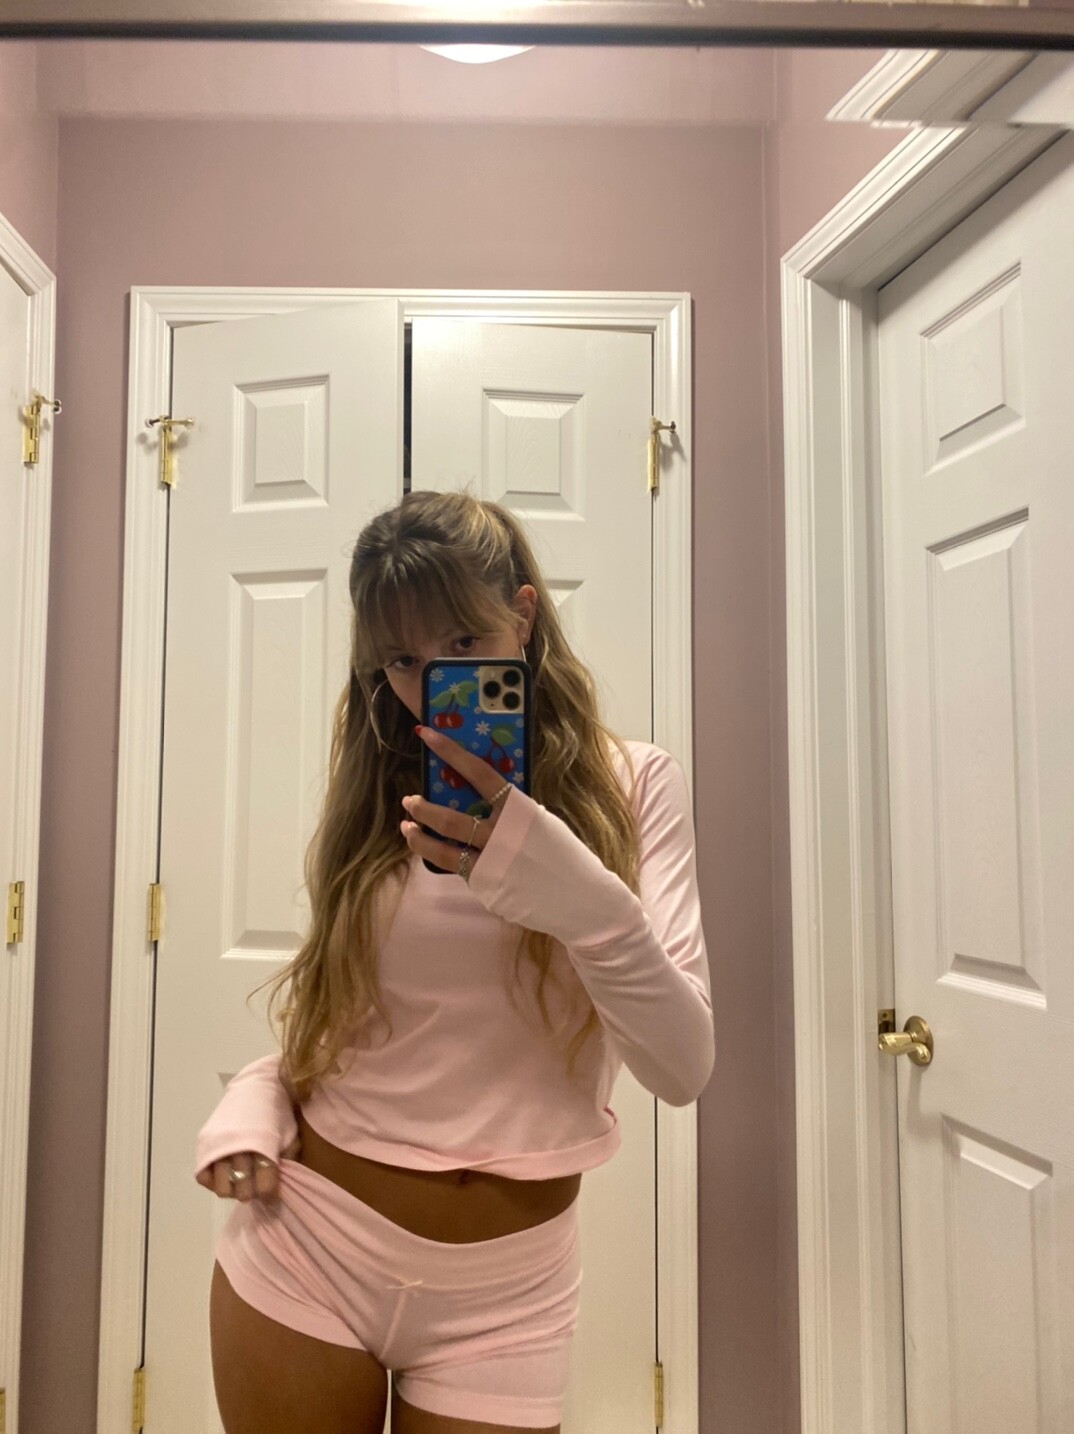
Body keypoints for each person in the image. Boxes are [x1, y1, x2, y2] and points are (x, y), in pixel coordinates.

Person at [194, 489, 715, 1434]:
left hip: (510, 1297)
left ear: (522, 616)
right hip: (311, 1244)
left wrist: (582, 899)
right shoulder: (379, 792)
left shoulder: (635, 784)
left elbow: (682, 1069)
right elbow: (345, 1013)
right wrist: (259, 1098)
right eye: (402, 659)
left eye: (464, 642)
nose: (433, 680)